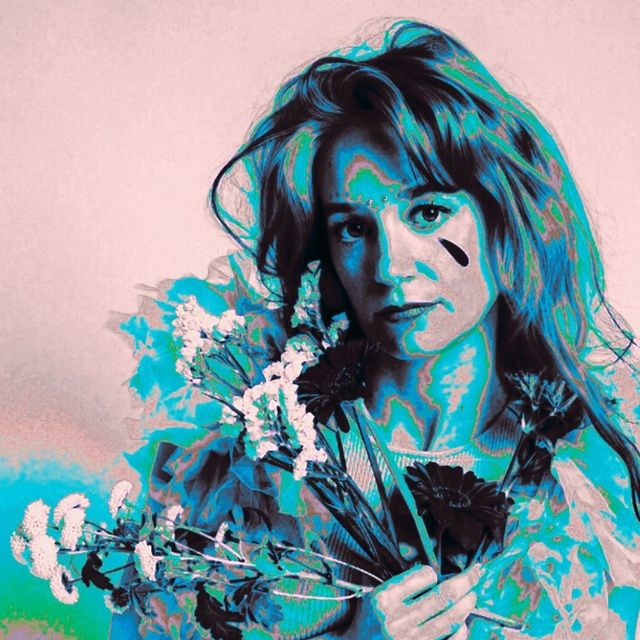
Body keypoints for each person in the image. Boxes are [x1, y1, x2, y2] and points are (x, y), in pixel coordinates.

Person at [112, 19, 640, 639]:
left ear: (503, 219)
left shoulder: (602, 469)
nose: (389, 265)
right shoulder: (242, 470)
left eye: (429, 211)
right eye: (354, 228)